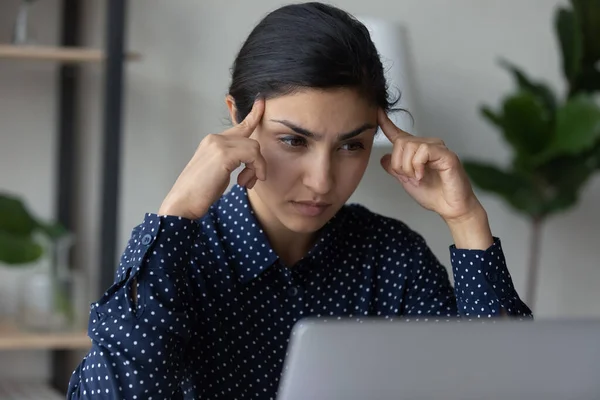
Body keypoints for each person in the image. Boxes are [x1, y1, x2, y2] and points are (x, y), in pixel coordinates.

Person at [67, 2, 531, 399]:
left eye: (352, 146)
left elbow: (505, 386)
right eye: (293, 141)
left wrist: (466, 219)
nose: (323, 181)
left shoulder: (391, 257)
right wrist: (178, 212)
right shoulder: (178, 257)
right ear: (237, 117)